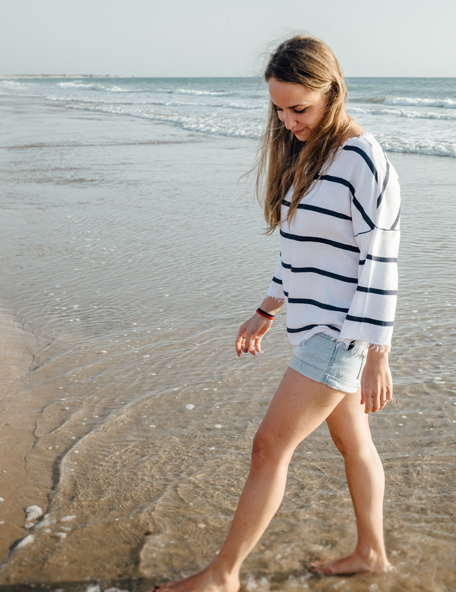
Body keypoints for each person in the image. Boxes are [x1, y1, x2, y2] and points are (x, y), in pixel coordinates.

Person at [154, 35, 401, 592]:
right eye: (279, 109)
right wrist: (265, 309)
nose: (289, 121)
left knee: (269, 447)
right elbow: (299, 254)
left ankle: (222, 576)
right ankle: (371, 554)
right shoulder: (310, 157)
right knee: (354, 444)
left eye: (300, 108)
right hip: (312, 326)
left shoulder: (363, 159)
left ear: (331, 92)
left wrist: (376, 354)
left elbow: (380, 260)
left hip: (339, 334)